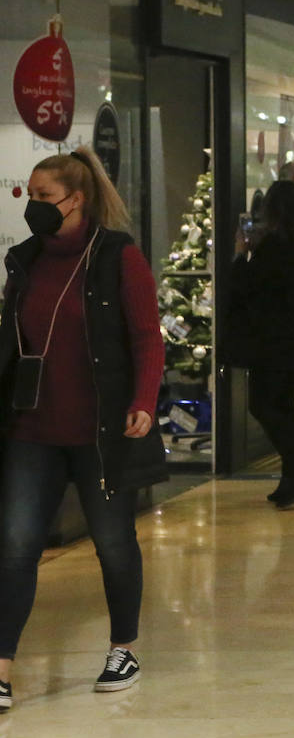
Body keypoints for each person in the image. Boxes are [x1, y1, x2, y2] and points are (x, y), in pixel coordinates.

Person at [0, 148, 165, 708]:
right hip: (33, 428)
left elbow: (147, 336)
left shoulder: (118, 257)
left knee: (114, 542)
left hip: (100, 429)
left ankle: (123, 648)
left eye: (44, 196)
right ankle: (1, 667)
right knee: (16, 546)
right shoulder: (25, 260)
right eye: (30, 195)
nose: (33, 205)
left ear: (75, 200)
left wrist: (143, 401)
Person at [227, 179, 294, 507]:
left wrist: (241, 254)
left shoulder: (275, 245)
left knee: (262, 404)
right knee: (283, 403)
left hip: (270, 341)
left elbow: (247, 285)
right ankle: (292, 475)